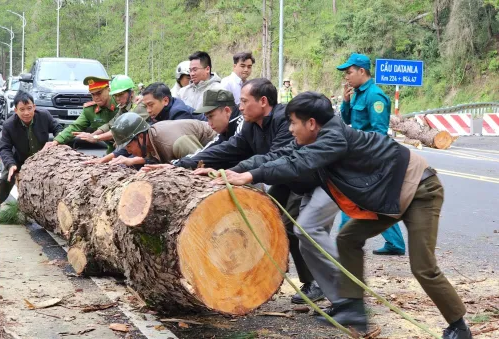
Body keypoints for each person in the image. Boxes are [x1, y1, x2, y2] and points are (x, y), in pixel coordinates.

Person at [216, 92, 472, 339]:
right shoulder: (315, 139)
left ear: (312, 123)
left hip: (419, 189)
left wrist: (250, 177)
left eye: (293, 123)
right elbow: (278, 156)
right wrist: (235, 170)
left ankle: (459, 326)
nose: (291, 130)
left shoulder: (334, 139)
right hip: (389, 193)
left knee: (423, 267)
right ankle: (354, 309)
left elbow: (296, 165)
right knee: (347, 238)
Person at [179, 78, 326, 304]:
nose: (240, 106)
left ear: (263, 101)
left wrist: (238, 172)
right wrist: (190, 163)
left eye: (245, 101)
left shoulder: (284, 120)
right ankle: (254, 276)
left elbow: (277, 156)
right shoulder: (250, 124)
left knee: (297, 228)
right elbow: (231, 148)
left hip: (303, 181)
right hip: (279, 179)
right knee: (264, 222)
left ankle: (320, 284)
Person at [337, 53, 406, 256]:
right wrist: (346, 101)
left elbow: (379, 133)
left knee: (350, 197)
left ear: (361, 71)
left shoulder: (375, 96)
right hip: (358, 155)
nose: (347, 77)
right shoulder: (357, 93)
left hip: (368, 157)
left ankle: (344, 242)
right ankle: (395, 244)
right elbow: (348, 119)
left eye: (349, 72)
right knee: (373, 202)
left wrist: (364, 157)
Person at [143, 89, 243, 171]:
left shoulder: (242, 123)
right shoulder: (225, 131)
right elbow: (209, 149)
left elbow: (227, 148)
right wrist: (177, 164)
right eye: (207, 118)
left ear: (227, 111)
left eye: (211, 116)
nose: (209, 123)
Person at [0, 91, 63, 212]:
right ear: (16, 110)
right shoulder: (8, 125)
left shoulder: (44, 115)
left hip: (45, 159)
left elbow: (58, 128)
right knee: (5, 179)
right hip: (20, 160)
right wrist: (11, 165)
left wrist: (56, 142)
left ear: (34, 107)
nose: (26, 113)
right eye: (22, 109)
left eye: (29, 108)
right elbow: (5, 148)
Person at [85, 112, 217, 168]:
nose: (129, 151)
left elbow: (200, 162)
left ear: (140, 137)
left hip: (217, 147)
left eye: (129, 147)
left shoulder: (175, 143)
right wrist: (101, 161)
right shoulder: (148, 138)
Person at [46, 76, 119, 153]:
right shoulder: (90, 110)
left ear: (108, 90)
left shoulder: (120, 103)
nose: (96, 97)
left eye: (99, 93)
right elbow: (75, 127)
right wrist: (56, 141)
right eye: (93, 94)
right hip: (112, 148)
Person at [75, 75, 147, 145]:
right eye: (115, 95)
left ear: (131, 93)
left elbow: (121, 129)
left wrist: (96, 138)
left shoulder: (138, 106)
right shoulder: (124, 107)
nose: (117, 98)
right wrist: (93, 135)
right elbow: (111, 124)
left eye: (120, 94)